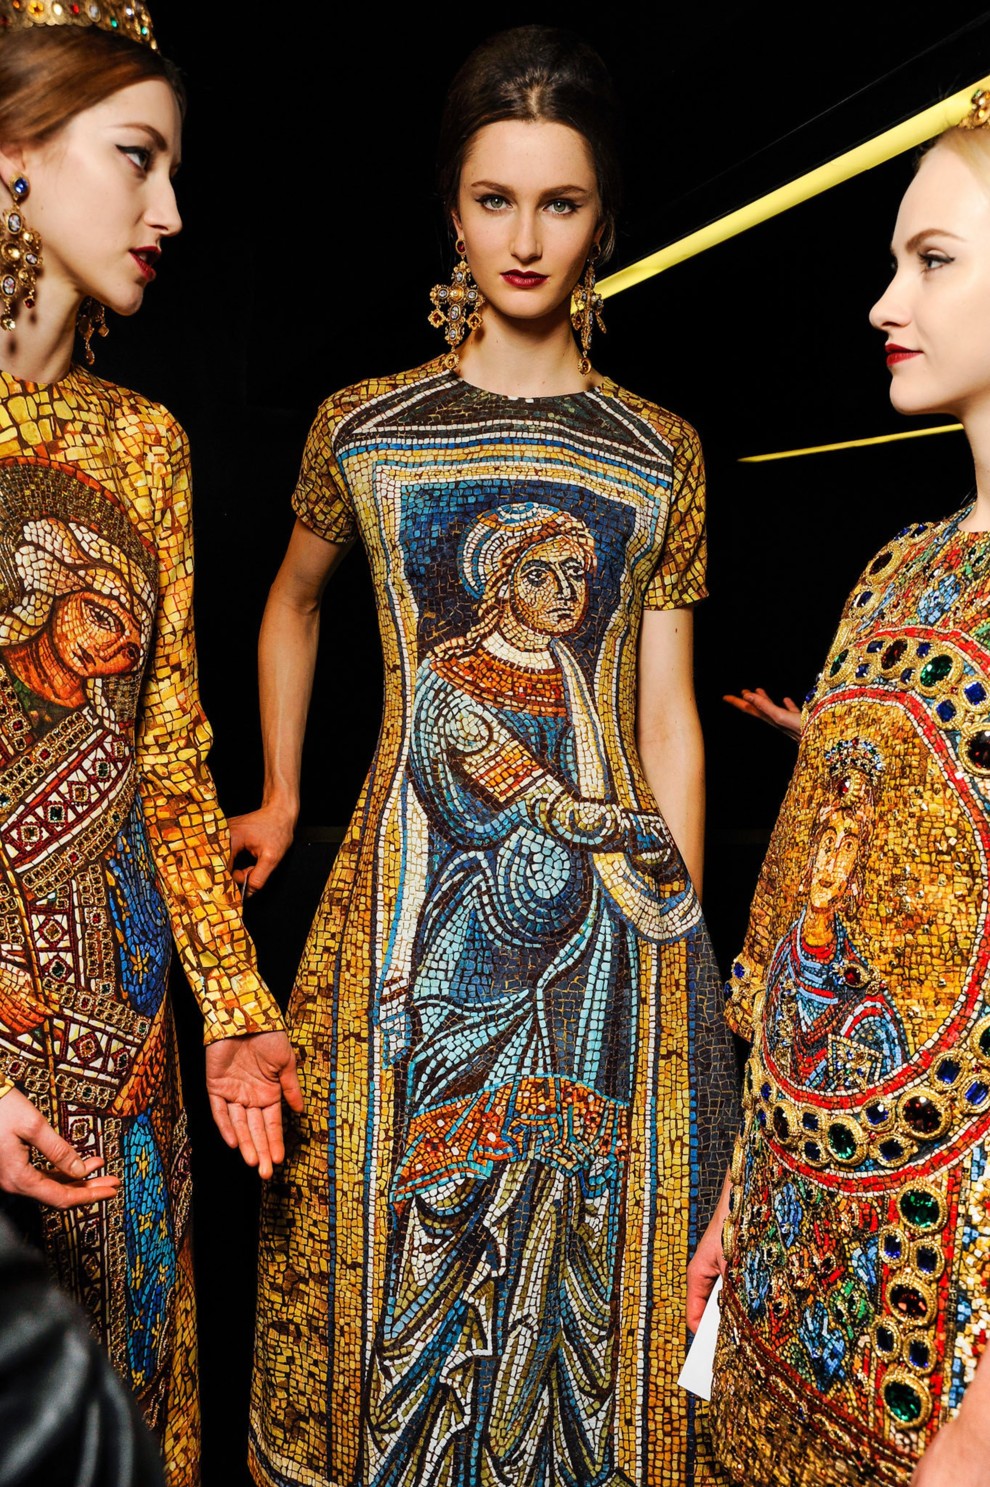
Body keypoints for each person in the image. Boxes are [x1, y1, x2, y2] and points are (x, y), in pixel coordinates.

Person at [235, 24, 736, 1487]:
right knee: (377, 1230)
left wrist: (678, 935)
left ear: (603, 220)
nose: (525, 240)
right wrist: (282, 791)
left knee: (599, 1254)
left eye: (559, 203)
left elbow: (663, 715)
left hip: (606, 923)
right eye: (495, 200)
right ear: (451, 212)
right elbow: (291, 603)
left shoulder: (658, 452)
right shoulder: (364, 428)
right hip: (409, 911)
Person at [0, 5, 303, 1483]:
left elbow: (166, 754)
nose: (169, 209)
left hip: (123, 1036)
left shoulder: (146, 443)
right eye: (138, 158)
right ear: (12, 155)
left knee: (120, 1412)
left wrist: (233, 1009)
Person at [691, 92, 990, 1487]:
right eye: (893, 260)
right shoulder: (893, 570)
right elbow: (796, 922)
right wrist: (738, 1197)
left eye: (932, 260)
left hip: (943, 1316)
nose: (884, 299)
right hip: (791, 1249)